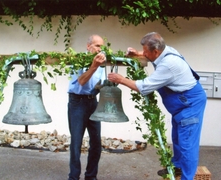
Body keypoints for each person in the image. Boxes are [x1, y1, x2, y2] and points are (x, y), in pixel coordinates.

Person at [108, 32, 207, 180]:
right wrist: (137, 53)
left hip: (190, 104)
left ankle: (187, 177)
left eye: (146, 51)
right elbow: (149, 55)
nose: (144, 54)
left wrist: (121, 79)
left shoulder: (168, 64)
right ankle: (177, 167)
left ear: (156, 51)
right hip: (182, 105)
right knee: (178, 138)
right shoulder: (166, 51)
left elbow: (143, 87)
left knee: (187, 145)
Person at [67, 34, 106, 180]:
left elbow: (99, 83)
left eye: (102, 46)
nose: (100, 49)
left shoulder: (103, 62)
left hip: (93, 101)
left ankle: (91, 176)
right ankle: (74, 176)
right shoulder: (77, 60)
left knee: (96, 143)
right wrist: (94, 67)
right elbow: (81, 81)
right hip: (77, 102)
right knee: (76, 142)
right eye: (97, 46)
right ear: (88, 46)